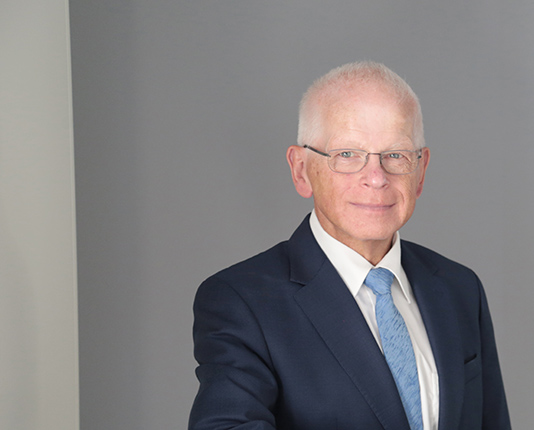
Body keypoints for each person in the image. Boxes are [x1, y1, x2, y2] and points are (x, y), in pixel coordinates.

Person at [189, 61, 510, 430]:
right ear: (301, 170)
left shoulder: (459, 289)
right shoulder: (241, 302)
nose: (375, 178)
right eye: (347, 154)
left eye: (396, 155)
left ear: (420, 171)